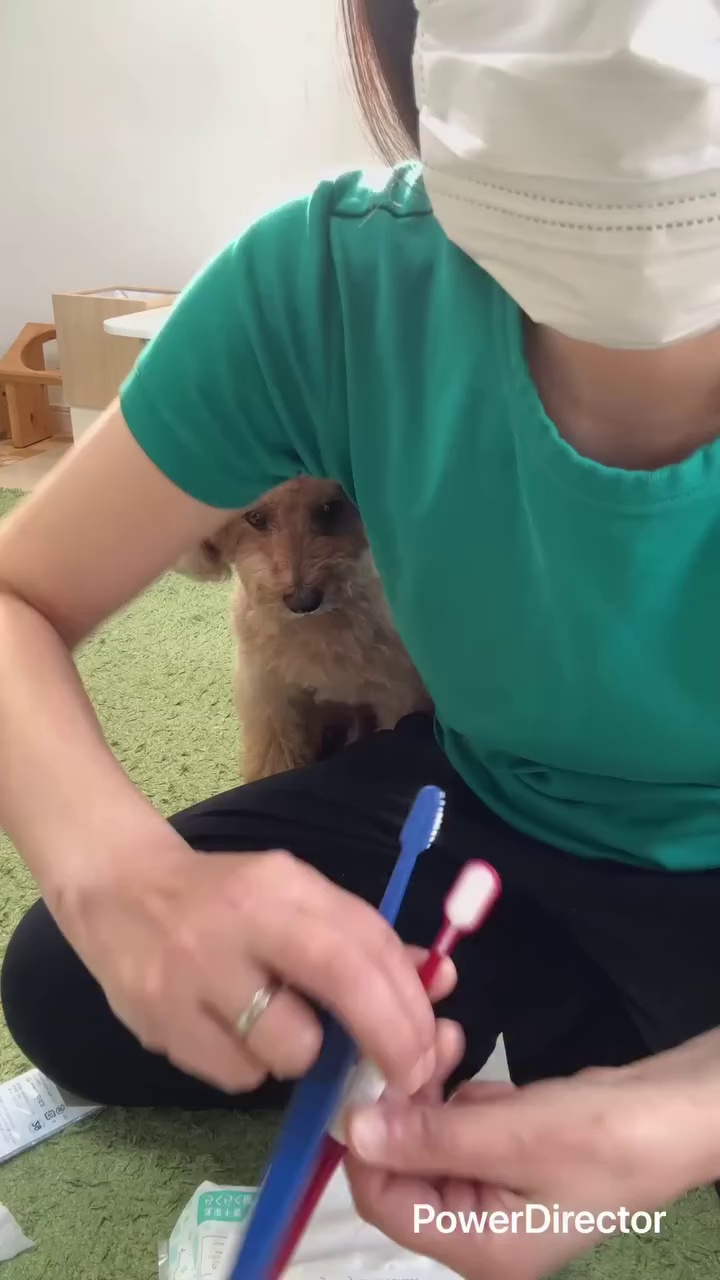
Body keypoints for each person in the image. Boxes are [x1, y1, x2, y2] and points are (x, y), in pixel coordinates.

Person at [3, 0, 720, 1272]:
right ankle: (570, 1009)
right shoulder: (330, 281)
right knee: (73, 983)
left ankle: (582, 1020)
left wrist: (683, 1115)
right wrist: (120, 875)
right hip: (482, 791)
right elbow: (17, 596)